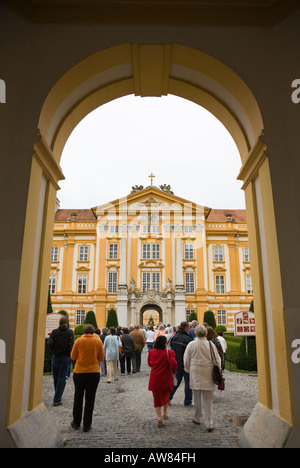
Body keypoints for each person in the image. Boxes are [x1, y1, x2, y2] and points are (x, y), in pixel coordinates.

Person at [184, 325, 221, 432]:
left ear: (195, 333)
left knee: (196, 396)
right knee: (208, 399)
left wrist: (187, 368)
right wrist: (218, 368)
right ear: (205, 333)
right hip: (208, 371)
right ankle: (209, 423)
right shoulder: (210, 344)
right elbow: (217, 359)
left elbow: (186, 359)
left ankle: (197, 417)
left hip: (195, 370)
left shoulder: (191, 344)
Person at [70, 324, 104, 432]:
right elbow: (101, 358)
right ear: (93, 332)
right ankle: (87, 425)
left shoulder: (78, 341)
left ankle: (76, 422)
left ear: (83, 331)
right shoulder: (98, 341)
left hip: (79, 372)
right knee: (90, 398)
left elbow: (73, 357)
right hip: (93, 372)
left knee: (78, 397)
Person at [148, 335, 178, 427]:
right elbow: (173, 364)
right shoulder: (170, 352)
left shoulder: (151, 352)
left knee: (156, 398)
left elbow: (149, 363)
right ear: (165, 343)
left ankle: (159, 417)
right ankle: (165, 412)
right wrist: (174, 371)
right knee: (166, 395)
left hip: (155, 379)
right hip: (166, 378)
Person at [47, 315, 74, 406]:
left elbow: (49, 343)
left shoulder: (54, 332)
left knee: (56, 376)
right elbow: (71, 345)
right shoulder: (69, 333)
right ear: (66, 323)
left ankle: (57, 394)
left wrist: (53, 350)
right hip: (64, 357)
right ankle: (57, 398)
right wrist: (68, 353)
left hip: (55, 356)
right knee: (62, 377)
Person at [169, 321, 193, 407]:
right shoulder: (188, 339)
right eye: (189, 328)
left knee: (176, 381)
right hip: (185, 363)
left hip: (176, 362)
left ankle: (168, 397)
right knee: (188, 382)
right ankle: (188, 401)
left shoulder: (174, 337)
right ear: (186, 328)